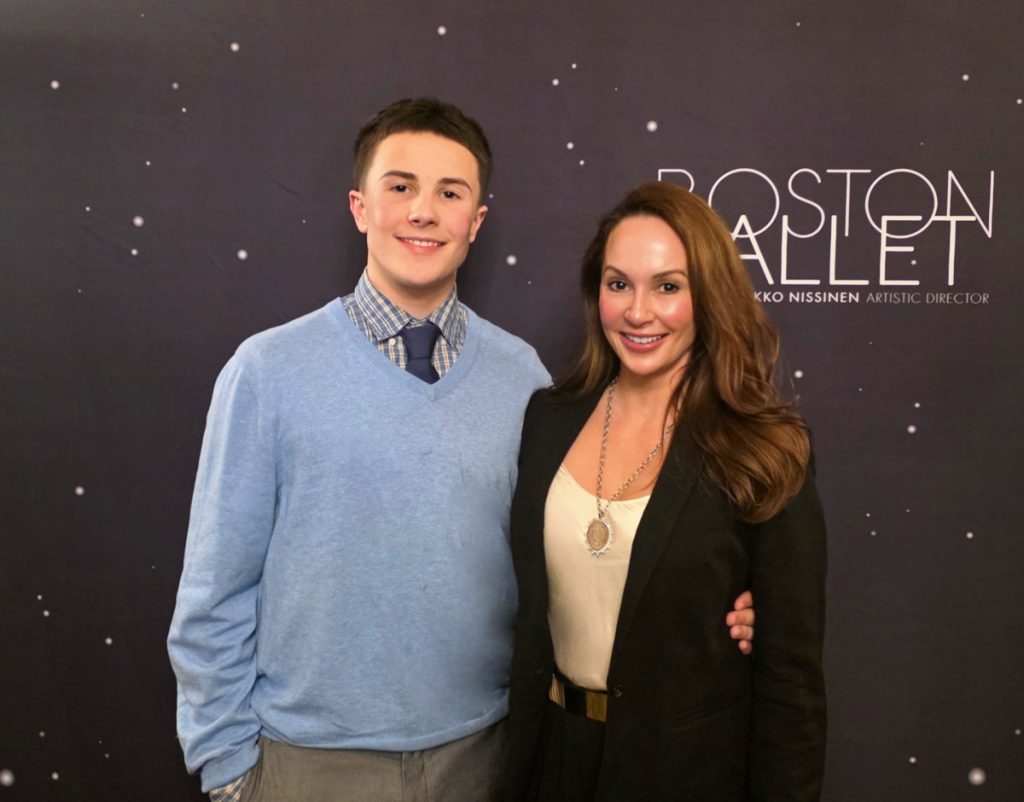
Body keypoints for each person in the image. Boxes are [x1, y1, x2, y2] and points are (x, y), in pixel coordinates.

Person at [167, 99, 757, 802]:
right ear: (360, 207)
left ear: (475, 222)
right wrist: (228, 768)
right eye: (400, 186)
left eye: (450, 193)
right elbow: (214, 593)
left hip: (485, 756)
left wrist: (716, 606)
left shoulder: (525, 380)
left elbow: (576, 549)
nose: (423, 211)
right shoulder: (267, 373)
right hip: (310, 764)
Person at [503, 181, 827, 801]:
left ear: (709, 296)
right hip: (549, 758)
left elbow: (792, 687)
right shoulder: (549, 418)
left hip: (683, 773)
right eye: (618, 283)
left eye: (668, 286)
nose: (638, 311)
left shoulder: (763, 447)